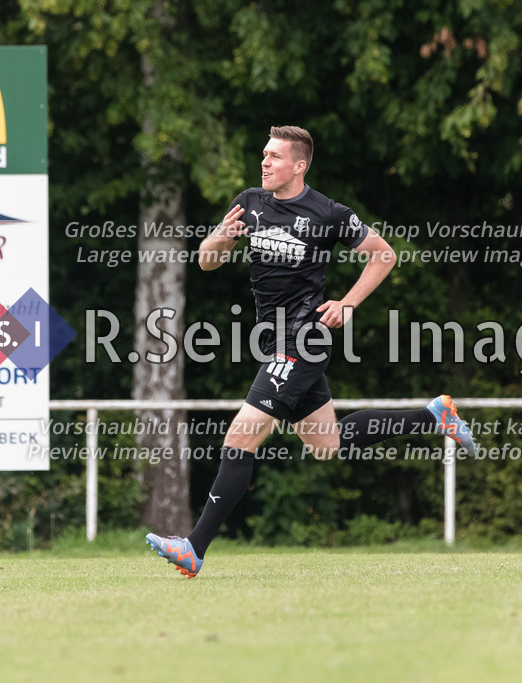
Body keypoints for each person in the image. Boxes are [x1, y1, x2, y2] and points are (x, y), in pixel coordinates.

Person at [145, 125, 477, 577]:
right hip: (270, 339)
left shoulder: (328, 212)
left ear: (299, 166)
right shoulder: (250, 201)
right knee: (327, 444)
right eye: (263, 154)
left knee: (241, 436)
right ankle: (433, 415)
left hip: (304, 338)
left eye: (274, 157)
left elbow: (383, 254)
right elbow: (206, 260)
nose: (264, 162)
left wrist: (346, 303)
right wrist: (221, 237)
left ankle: (194, 548)